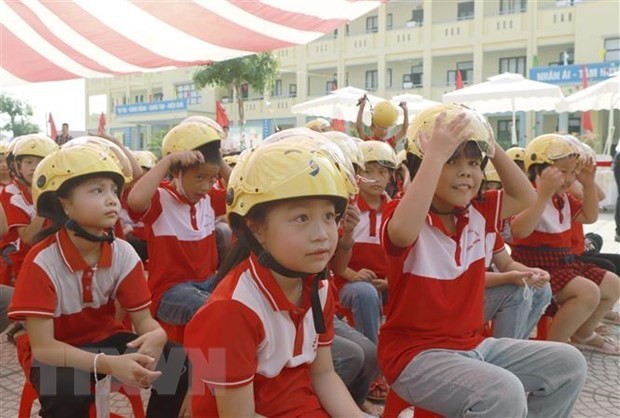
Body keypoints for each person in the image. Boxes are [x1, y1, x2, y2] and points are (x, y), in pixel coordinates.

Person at [379, 104, 587, 416]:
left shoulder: (480, 212)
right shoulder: (404, 215)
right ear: (425, 165)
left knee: (569, 364)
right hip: (415, 358)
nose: (466, 171)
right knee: (503, 392)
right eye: (452, 161)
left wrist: (493, 145)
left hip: (473, 347)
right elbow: (403, 232)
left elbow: (526, 197)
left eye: (474, 163)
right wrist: (435, 154)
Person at [185, 137, 363, 417]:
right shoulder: (231, 310)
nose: (322, 234)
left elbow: (324, 375)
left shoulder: (319, 287)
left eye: (329, 216)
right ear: (256, 230)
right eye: (302, 218)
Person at [8, 145, 188, 417]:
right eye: (97, 190)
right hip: (56, 353)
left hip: (103, 338)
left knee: (179, 361)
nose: (113, 199)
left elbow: (143, 320)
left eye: (113, 190)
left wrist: (157, 334)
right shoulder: (42, 262)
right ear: (63, 204)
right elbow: (44, 348)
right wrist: (109, 364)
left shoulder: (123, 252)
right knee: (67, 390)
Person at [510, 133, 620, 355]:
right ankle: (553, 347)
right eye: (562, 171)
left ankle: (583, 332)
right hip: (537, 268)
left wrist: (588, 184)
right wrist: (542, 197)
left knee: (613, 284)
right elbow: (519, 230)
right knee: (587, 292)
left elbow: (589, 217)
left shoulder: (563, 199)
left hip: (564, 264)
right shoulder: (529, 195)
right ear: (536, 169)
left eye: (573, 172)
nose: (569, 178)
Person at [127, 121, 225, 325]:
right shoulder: (161, 198)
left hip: (208, 282)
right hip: (170, 291)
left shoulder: (209, 198)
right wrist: (168, 161)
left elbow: (237, 194)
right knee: (213, 311)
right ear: (177, 173)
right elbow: (135, 201)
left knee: (243, 301)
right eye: (199, 177)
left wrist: (216, 155)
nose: (206, 186)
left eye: (212, 179)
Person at [0, 134, 58, 285]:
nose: (34, 167)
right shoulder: (12, 194)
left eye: (41, 162)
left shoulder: (61, 190)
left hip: (55, 260)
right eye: (28, 162)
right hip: (23, 263)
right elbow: (28, 238)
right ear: (18, 165)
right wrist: (43, 204)